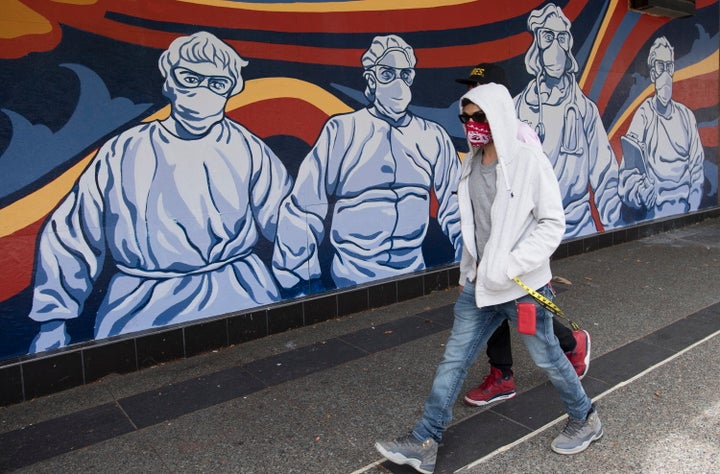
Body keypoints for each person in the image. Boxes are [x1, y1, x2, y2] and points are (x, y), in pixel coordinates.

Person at [375, 83, 603, 474]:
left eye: (479, 116)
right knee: (453, 361)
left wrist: (510, 265)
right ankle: (424, 440)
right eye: (465, 118)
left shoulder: (528, 161)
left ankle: (586, 419)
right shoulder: (470, 163)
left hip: (523, 288)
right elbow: (475, 228)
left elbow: (552, 223)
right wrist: (469, 272)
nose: (471, 125)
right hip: (481, 288)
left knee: (548, 358)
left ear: (498, 115)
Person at [28, 31, 292, 351]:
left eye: (216, 83)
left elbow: (285, 218)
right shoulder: (125, 151)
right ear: (169, 81)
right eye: (189, 77)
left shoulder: (246, 148)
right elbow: (74, 232)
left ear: (231, 89)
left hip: (241, 294)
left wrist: (300, 276)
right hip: (138, 311)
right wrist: (53, 321)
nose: (201, 91)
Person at [272, 34, 461, 292]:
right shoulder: (343, 131)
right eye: (387, 73)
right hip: (351, 278)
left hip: (415, 272)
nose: (398, 82)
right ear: (371, 79)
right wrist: (297, 278)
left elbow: (455, 203)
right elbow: (304, 205)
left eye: (405, 74)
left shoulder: (432, 137)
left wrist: (468, 256)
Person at [455, 63, 590, 407]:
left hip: (519, 257)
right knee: (494, 306)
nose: (471, 93)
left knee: (532, 320)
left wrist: (519, 259)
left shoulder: (522, 138)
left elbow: (542, 205)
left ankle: (572, 347)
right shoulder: (476, 140)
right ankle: (502, 374)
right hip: (488, 255)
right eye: (470, 86)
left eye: (479, 86)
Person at [514, 3, 622, 238]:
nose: (555, 45)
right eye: (547, 36)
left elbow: (604, 175)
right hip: (529, 230)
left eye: (561, 37)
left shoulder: (585, 110)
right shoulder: (518, 107)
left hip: (577, 225)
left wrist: (617, 230)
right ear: (536, 44)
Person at [618, 36, 705, 219]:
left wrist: (694, 212)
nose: (665, 72)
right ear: (652, 74)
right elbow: (628, 173)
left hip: (685, 214)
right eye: (659, 66)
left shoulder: (686, 117)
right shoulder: (644, 115)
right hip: (653, 216)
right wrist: (639, 192)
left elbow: (697, 169)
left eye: (669, 66)